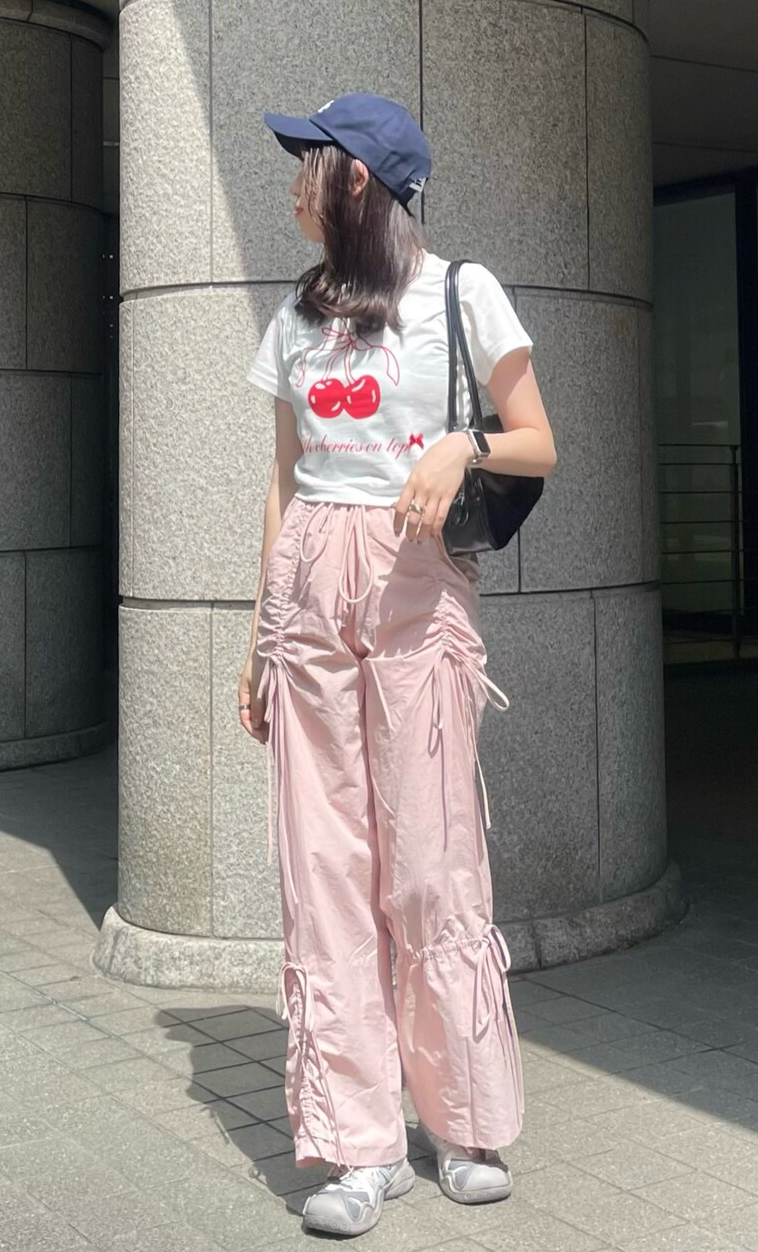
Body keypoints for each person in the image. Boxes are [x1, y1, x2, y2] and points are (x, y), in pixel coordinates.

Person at [238, 92, 557, 1239]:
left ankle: (463, 1121)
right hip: (309, 591)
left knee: (429, 862)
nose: (292, 182)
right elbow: (284, 480)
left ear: (358, 180)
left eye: (307, 161)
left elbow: (539, 441)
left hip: (417, 586)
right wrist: (258, 635)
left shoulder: (460, 291)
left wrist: (461, 442)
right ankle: (358, 1143)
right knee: (324, 871)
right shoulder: (297, 312)